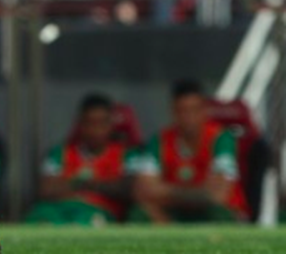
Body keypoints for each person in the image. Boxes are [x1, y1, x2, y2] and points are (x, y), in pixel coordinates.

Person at [130, 80, 248, 223]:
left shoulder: (221, 138)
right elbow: (144, 190)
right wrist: (200, 191)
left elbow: (218, 195)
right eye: (183, 111)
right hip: (174, 213)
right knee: (140, 213)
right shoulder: (160, 140)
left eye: (194, 110)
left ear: (205, 110)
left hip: (211, 211)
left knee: (220, 214)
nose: (189, 117)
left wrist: (165, 190)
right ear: (173, 111)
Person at [26, 94, 134, 225]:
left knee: (87, 222)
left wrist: (76, 184)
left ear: (111, 124)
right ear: (80, 124)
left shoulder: (126, 154)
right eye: (90, 123)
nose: (95, 130)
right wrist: (84, 183)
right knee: (39, 216)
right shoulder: (60, 153)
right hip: (59, 209)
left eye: (101, 123)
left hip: (98, 211)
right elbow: (46, 189)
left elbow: (129, 189)